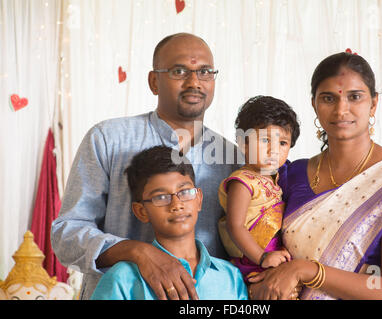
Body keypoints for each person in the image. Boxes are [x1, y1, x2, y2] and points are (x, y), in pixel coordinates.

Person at [51, 33, 241, 300]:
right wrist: (139, 252)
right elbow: (66, 235)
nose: (194, 82)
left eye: (205, 72)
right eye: (179, 71)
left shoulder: (231, 158)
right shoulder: (108, 139)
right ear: (154, 81)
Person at [248, 50, 382, 300]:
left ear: (374, 103)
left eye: (355, 97)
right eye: (328, 98)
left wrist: (306, 270)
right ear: (314, 104)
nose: (341, 109)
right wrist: (256, 285)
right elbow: (261, 247)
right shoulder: (292, 174)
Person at [90, 146, 248, 300]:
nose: (176, 204)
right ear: (141, 211)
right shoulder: (122, 279)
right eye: (160, 197)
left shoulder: (231, 276)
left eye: (185, 192)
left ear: (198, 199)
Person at [217, 96, 300, 281]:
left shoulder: (277, 178)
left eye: (283, 143)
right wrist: (262, 257)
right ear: (244, 143)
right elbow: (235, 225)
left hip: (277, 257)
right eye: (265, 140)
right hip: (253, 261)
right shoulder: (242, 182)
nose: (274, 150)